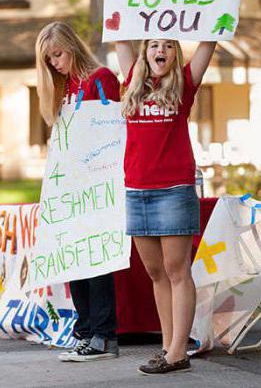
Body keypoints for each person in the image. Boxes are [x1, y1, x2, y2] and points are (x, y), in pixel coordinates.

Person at [113, 38, 215, 374]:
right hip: (137, 190)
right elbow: (119, 32)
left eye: (169, 46)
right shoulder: (132, 83)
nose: (162, 51)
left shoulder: (184, 84)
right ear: (145, 52)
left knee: (177, 271)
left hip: (173, 189)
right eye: (155, 45)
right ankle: (168, 347)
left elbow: (208, 41)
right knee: (156, 273)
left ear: (176, 53)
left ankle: (178, 353)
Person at [35, 21, 120, 361]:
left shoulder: (101, 79)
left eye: (57, 54)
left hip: (98, 184)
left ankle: (102, 336)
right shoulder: (62, 87)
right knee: (74, 263)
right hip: (69, 188)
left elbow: (111, 130)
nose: (54, 63)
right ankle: (84, 331)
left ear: (72, 47)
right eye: (48, 59)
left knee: (97, 262)